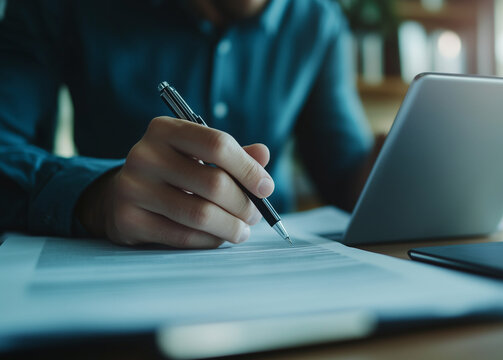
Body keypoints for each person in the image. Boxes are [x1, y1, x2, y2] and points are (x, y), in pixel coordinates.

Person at [0, 0, 376, 249]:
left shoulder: (318, 18)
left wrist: (409, 153)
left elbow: (345, 175)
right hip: (124, 276)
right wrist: (96, 199)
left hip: (273, 275)